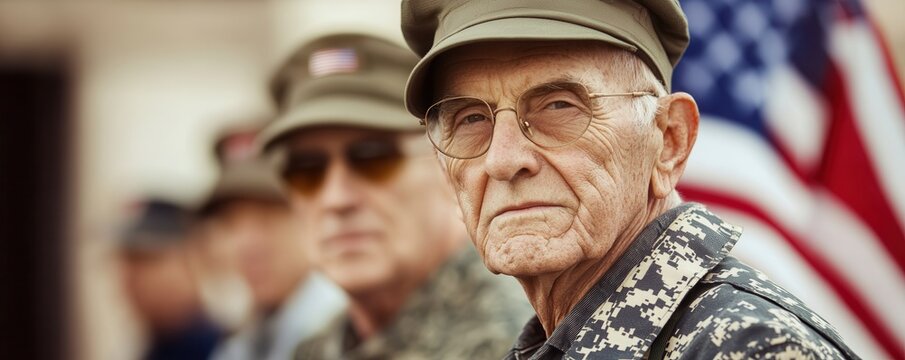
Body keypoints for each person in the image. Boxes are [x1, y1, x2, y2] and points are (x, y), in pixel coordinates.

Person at [399, 1, 861, 358]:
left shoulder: (746, 347)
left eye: (559, 106)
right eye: (470, 119)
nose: (502, 160)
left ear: (669, 141)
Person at [258, 33, 533, 359]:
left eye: (374, 160)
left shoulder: (513, 342)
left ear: (447, 164)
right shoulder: (315, 349)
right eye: (305, 170)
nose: (336, 199)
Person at [200, 124, 346, 360]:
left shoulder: (349, 334)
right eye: (231, 223)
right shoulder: (243, 342)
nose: (246, 244)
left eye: (267, 217)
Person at [117, 198, 223, 360]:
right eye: (126, 263)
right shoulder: (153, 345)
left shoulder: (221, 349)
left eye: (145, 260)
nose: (129, 279)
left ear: (192, 260)